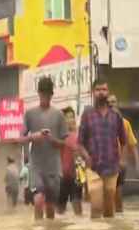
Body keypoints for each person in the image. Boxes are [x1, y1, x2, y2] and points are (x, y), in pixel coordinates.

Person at [77, 79, 127, 219]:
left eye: (104, 89)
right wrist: (87, 157)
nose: (101, 93)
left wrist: (121, 160)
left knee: (109, 211)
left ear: (108, 92)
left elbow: (123, 141)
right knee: (96, 206)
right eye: (98, 90)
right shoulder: (87, 115)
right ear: (93, 92)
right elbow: (79, 143)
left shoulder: (116, 115)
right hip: (93, 168)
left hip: (112, 168)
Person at [22, 76, 68, 220]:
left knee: (50, 208)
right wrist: (33, 137)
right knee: (38, 200)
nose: (45, 97)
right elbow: (20, 138)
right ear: (39, 93)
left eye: (47, 94)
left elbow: (64, 143)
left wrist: (52, 139)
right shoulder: (29, 114)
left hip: (53, 168)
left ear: (51, 95)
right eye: (42, 94)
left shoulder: (59, 115)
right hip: (36, 166)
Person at [108, 94, 139, 214]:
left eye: (113, 102)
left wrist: (137, 163)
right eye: (109, 102)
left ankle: (119, 220)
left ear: (117, 104)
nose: (111, 104)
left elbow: (132, 144)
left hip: (120, 165)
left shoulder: (124, 123)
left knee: (118, 198)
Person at [57, 107, 84, 216]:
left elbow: (83, 157)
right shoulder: (59, 137)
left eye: (72, 117)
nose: (70, 120)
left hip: (76, 177)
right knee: (59, 211)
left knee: (78, 208)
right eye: (67, 118)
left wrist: (84, 179)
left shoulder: (80, 136)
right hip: (62, 177)